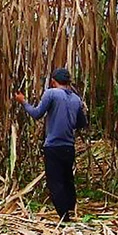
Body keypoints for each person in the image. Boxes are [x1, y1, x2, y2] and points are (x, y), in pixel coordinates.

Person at [14, 68, 88, 222]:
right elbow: (82, 123)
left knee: (55, 181)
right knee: (67, 178)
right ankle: (70, 208)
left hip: (53, 146)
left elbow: (37, 114)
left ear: (53, 81)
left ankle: (64, 217)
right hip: (69, 146)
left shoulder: (51, 93)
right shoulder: (76, 99)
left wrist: (23, 102)